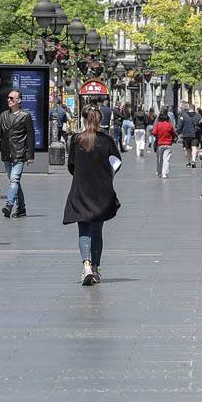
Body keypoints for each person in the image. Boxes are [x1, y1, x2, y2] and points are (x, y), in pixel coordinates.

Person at [63, 106, 121, 286]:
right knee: (97, 231)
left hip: (81, 190)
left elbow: (71, 165)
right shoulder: (107, 141)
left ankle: (86, 266)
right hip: (101, 191)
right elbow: (117, 163)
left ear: (83, 119)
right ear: (100, 120)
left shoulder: (76, 139)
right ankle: (96, 268)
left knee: (84, 230)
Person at [0, 89, 35, 218]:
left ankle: (9, 205)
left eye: (12, 98)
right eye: (8, 98)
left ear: (19, 101)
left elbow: (30, 136)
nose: (9, 100)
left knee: (14, 180)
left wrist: (30, 155)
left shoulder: (25, 116)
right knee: (15, 181)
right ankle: (22, 208)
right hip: (6, 152)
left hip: (19, 152)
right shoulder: (3, 115)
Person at [150, 112, 176, 179]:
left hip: (160, 144)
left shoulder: (158, 125)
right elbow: (173, 133)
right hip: (168, 144)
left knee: (159, 159)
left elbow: (154, 132)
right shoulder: (169, 125)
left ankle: (159, 172)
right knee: (166, 159)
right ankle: (165, 173)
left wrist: (157, 136)